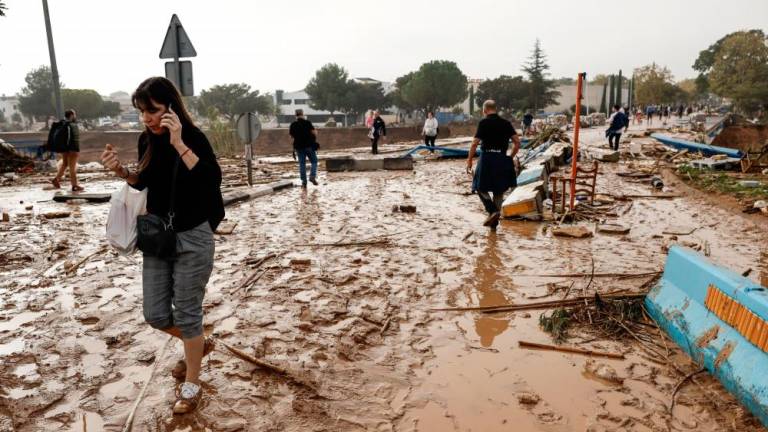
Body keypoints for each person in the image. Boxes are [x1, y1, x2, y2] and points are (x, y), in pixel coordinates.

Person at [100, 77, 224, 415]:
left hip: (193, 236)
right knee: (155, 314)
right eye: (142, 112)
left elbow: (211, 180)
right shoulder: (146, 140)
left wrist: (179, 141)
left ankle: (192, 383)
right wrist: (123, 172)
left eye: (152, 111)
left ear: (170, 107)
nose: (147, 119)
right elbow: (146, 182)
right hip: (158, 237)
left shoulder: (193, 137)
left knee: (187, 313)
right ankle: (198, 343)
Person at [466, 100, 519, 230]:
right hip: (501, 157)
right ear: (496, 109)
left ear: (484, 110)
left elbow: (474, 143)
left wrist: (469, 160)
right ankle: (493, 227)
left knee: (478, 186)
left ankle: (492, 211)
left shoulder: (484, 123)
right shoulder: (506, 123)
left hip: (487, 158)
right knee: (498, 190)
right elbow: (517, 142)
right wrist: (510, 157)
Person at [50, 109, 84, 192]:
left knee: (65, 164)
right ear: (71, 115)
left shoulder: (62, 124)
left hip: (64, 149)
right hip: (71, 149)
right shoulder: (71, 125)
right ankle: (74, 185)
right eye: (74, 114)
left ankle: (56, 179)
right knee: (72, 168)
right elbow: (71, 138)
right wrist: (72, 149)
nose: (75, 116)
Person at [289, 109, 319, 187]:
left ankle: (304, 182)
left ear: (295, 115)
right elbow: (314, 133)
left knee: (302, 164)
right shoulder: (307, 123)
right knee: (314, 161)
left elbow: (291, 136)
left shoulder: (293, 125)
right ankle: (312, 176)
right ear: (302, 114)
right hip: (309, 146)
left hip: (299, 147)